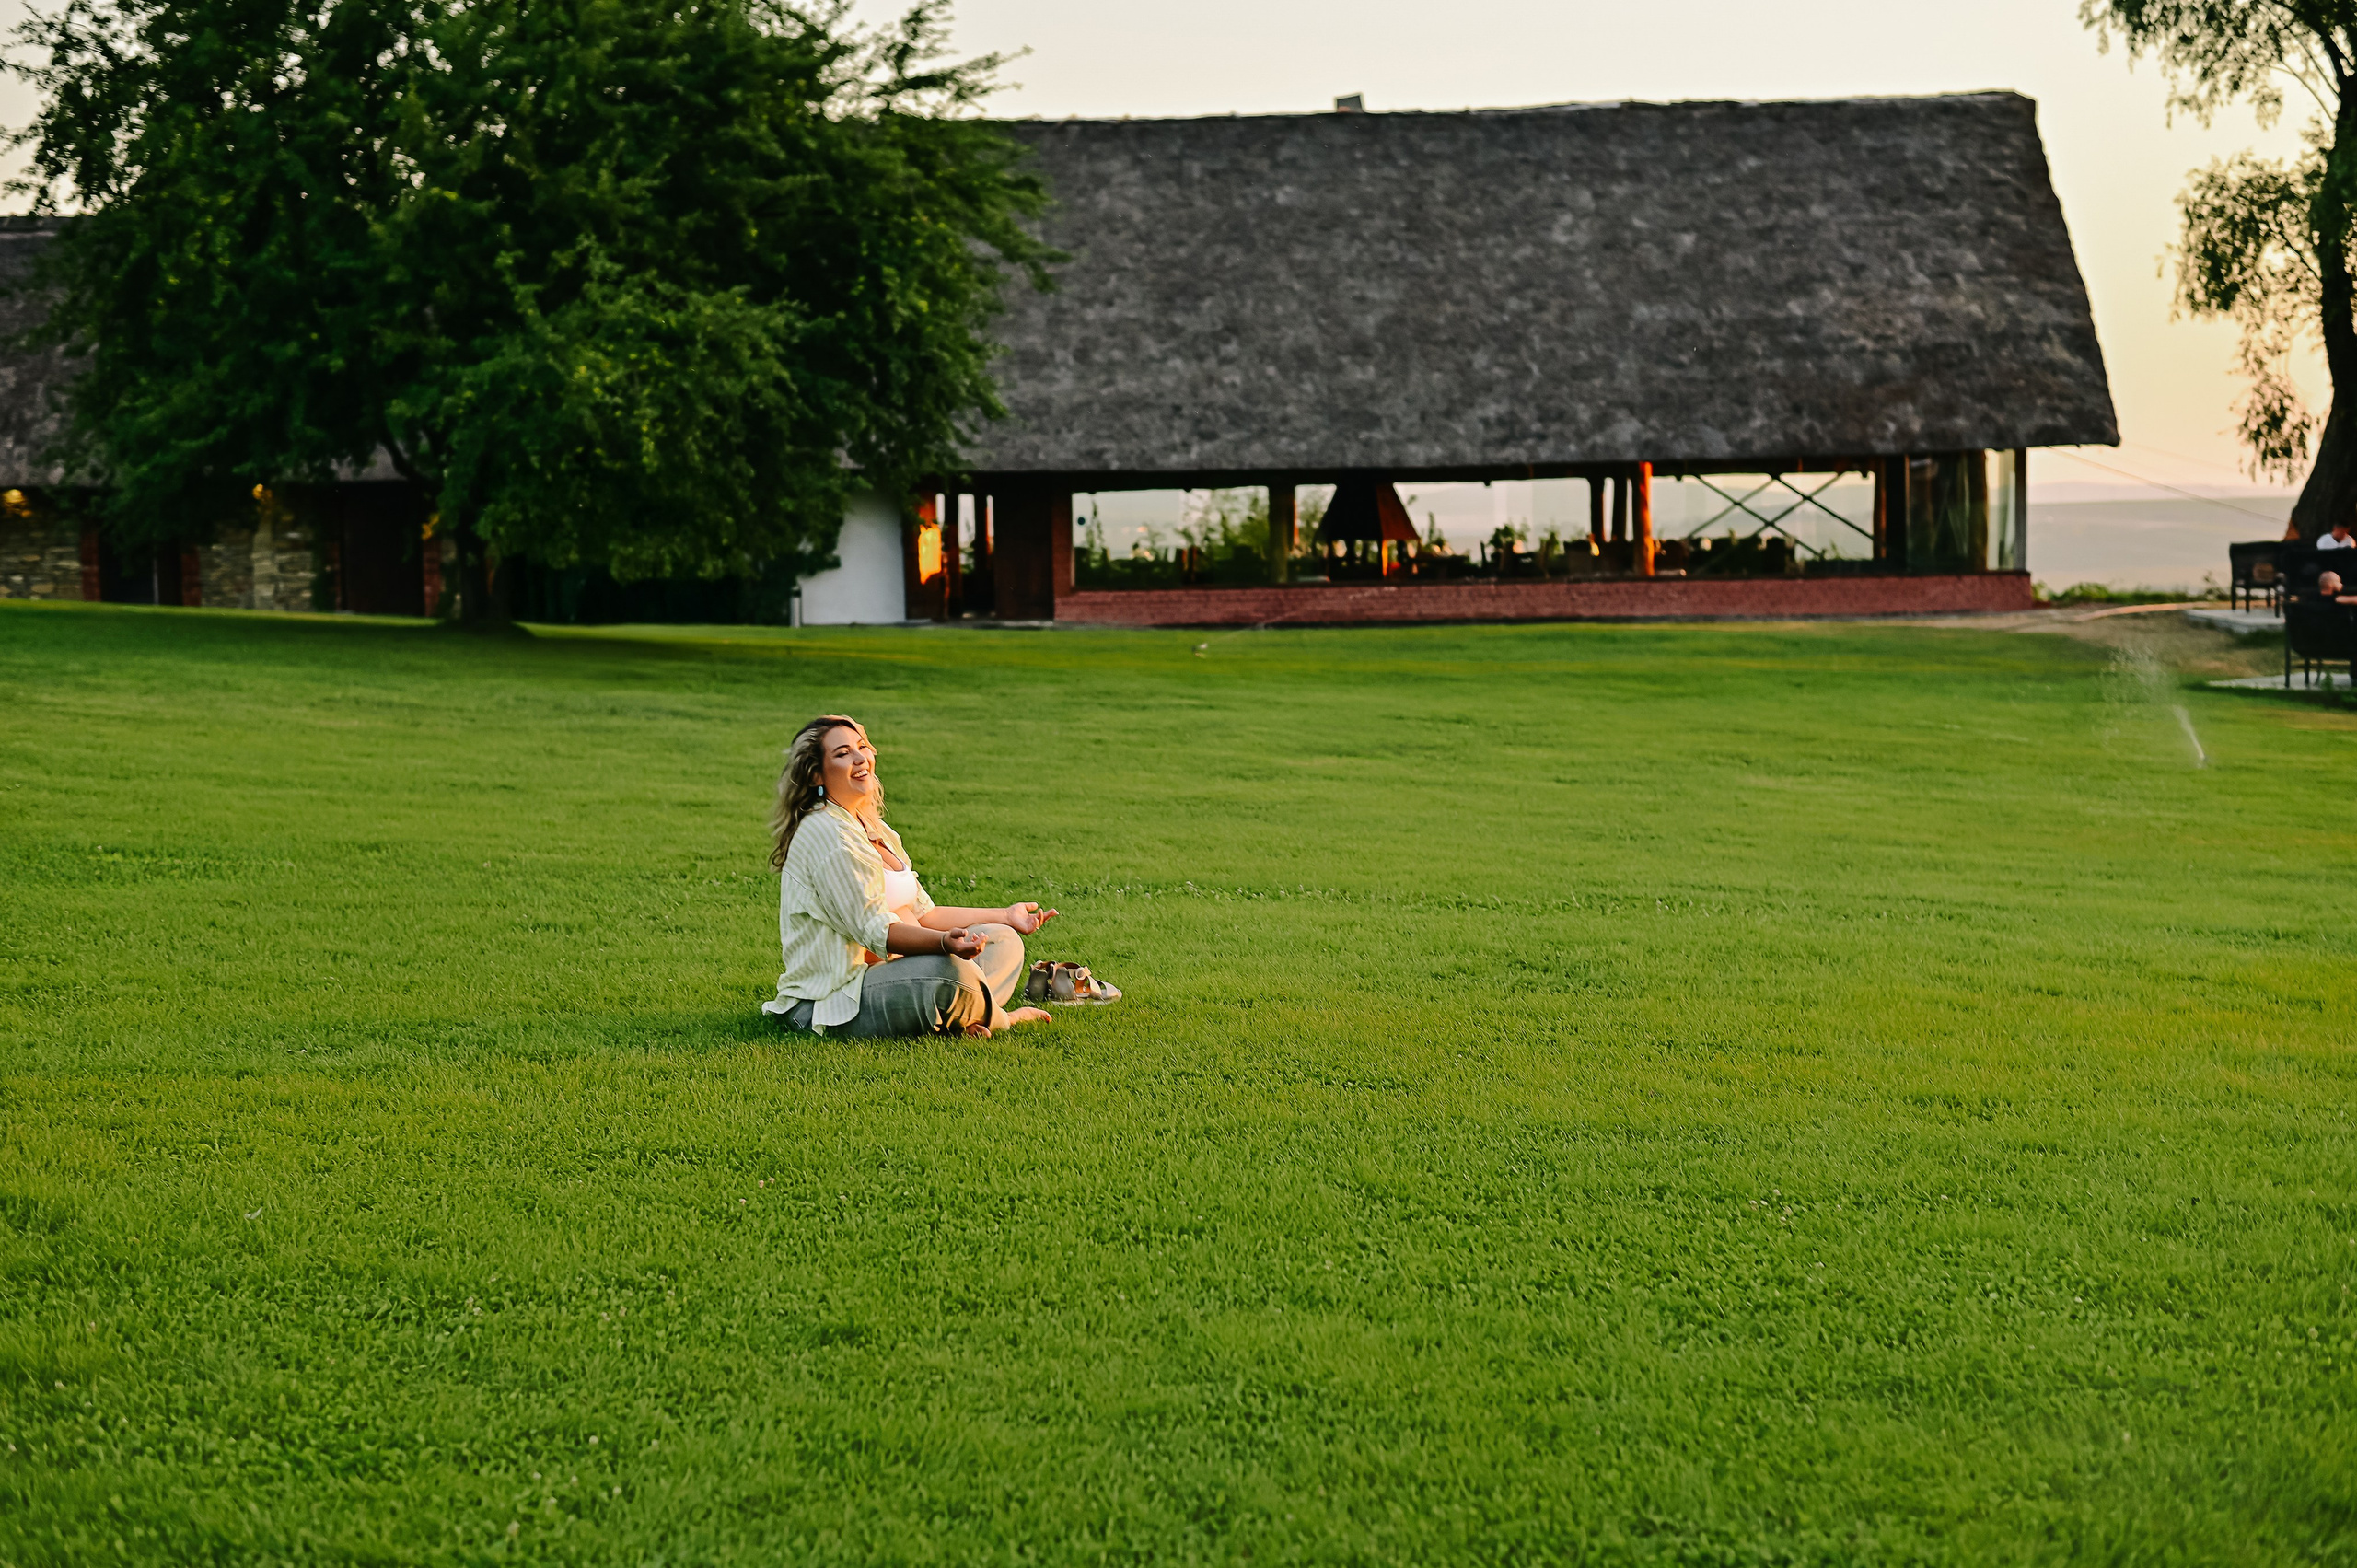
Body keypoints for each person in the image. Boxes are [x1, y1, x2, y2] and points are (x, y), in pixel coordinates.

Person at [761, 715, 1057, 1037]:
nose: (860, 758)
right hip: (838, 997)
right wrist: (943, 944)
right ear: (817, 773)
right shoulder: (828, 834)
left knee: (1003, 940)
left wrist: (1006, 915)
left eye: (862, 747)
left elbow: (925, 914)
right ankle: (998, 1016)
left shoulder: (874, 828)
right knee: (953, 971)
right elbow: (875, 930)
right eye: (843, 753)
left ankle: (963, 1015)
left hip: (900, 971)